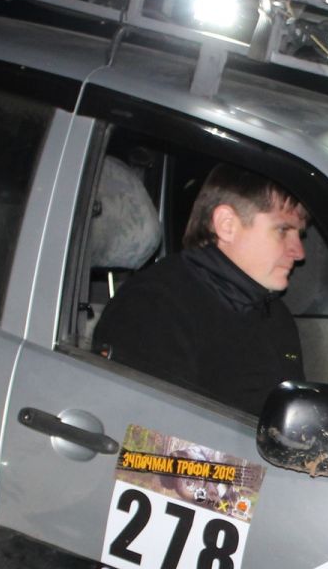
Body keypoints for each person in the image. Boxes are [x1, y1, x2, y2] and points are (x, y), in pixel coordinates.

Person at [95, 163, 309, 415]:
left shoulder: (275, 315)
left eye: (300, 234)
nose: (299, 252)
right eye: (283, 230)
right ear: (227, 224)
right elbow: (150, 440)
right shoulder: (152, 307)